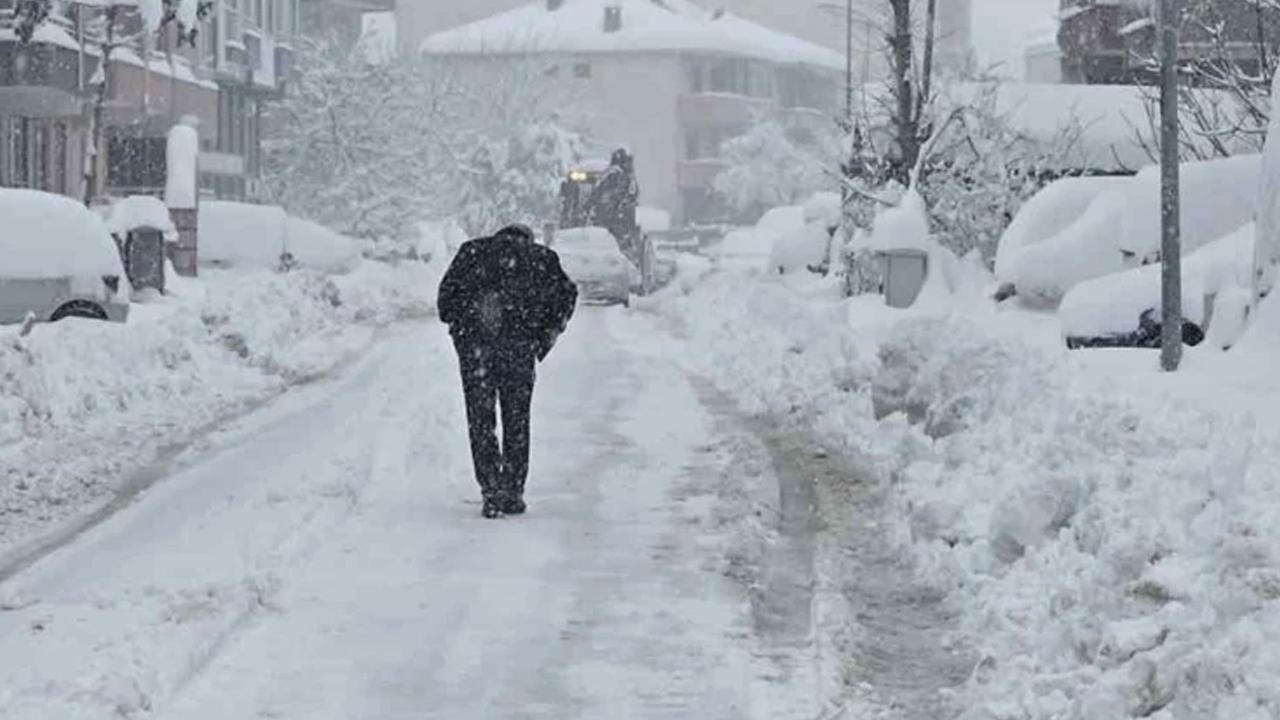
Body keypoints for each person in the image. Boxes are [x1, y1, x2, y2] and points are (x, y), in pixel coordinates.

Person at [437, 224, 578, 519]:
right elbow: (567, 295)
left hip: (477, 351)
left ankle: (490, 490)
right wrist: (544, 335)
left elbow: (445, 303)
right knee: (517, 420)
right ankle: (512, 491)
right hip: (519, 349)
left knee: (481, 420)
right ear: (527, 239)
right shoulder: (541, 259)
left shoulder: (472, 252)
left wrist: (463, 330)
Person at [587, 148, 641, 254]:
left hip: (615, 218)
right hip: (614, 218)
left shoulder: (612, 175)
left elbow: (596, 193)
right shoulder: (617, 176)